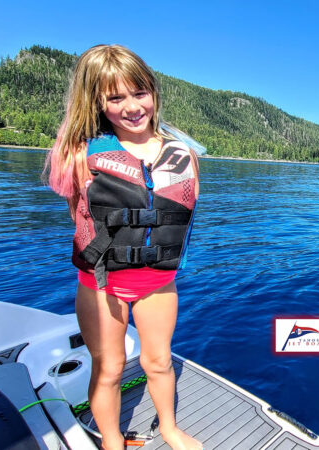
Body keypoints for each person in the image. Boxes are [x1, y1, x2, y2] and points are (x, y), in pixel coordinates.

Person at [45, 44, 201, 450]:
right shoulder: (82, 154)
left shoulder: (183, 154)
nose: (132, 106)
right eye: (115, 98)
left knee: (159, 362)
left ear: (153, 92)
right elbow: (73, 208)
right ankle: (112, 441)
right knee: (110, 367)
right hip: (101, 283)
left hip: (157, 281)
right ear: (96, 101)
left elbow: (186, 207)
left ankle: (168, 427)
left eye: (139, 93)